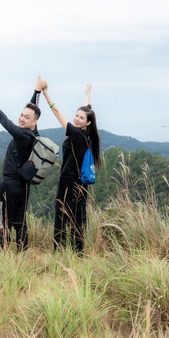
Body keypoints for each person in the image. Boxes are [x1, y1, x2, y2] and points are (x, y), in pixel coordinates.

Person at [0, 76, 45, 252]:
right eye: (21, 115)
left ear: (34, 121)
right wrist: (36, 92)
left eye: (26, 117)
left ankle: (4, 254)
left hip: (8, 186)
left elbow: (3, 119)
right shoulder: (32, 134)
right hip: (23, 187)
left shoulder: (22, 136)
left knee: (2, 222)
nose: (21, 118)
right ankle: (23, 254)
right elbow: (31, 110)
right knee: (20, 223)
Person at [41, 81, 101, 253]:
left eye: (81, 118)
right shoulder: (86, 134)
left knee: (61, 215)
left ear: (87, 123)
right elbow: (86, 110)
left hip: (68, 182)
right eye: (76, 115)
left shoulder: (76, 134)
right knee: (77, 217)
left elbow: (57, 113)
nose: (76, 118)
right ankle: (78, 252)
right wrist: (87, 94)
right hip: (81, 184)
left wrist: (46, 94)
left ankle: (59, 251)